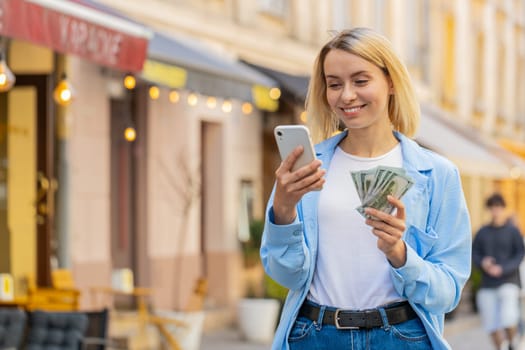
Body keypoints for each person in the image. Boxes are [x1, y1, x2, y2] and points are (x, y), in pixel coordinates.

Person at [260, 27, 472, 350]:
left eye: (360, 81)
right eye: (334, 84)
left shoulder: (438, 175)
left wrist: (400, 255)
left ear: (390, 82)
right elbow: (286, 276)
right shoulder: (307, 166)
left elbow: (448, 292)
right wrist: (284, 212)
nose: (346, 95)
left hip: (402, 338)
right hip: (314, 337)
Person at [472, 193, 525, 350]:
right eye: (492, 208)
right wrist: (483, 262)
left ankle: (513, 344)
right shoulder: (482, 232)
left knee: (508, 317)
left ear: (503, 208)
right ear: (489, 209)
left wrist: (503, 268)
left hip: (509, 281)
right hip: (487, 284)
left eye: (498, 207)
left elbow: (519, 254)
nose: (495, 211)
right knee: (490, 324)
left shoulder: (513, 231)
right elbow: (474, 254)